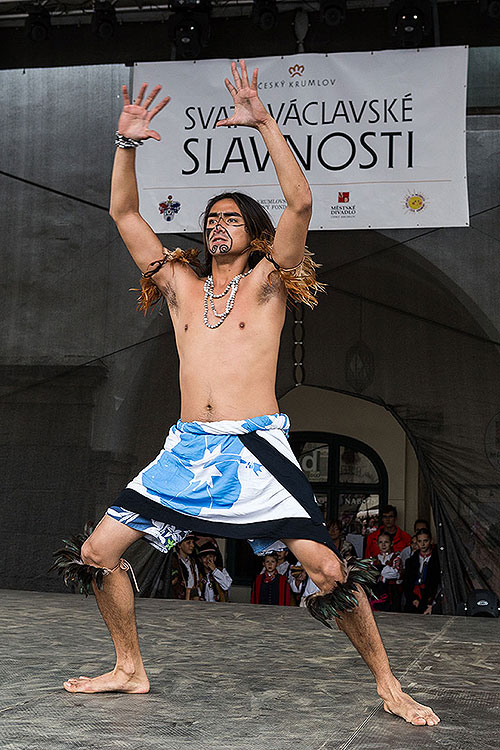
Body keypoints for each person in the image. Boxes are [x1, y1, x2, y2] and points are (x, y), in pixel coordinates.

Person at [56, 60, 439, 726]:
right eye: (210, 217)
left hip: (255, 446)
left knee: (323, 569)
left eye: (230, 217)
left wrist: (264, 121)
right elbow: (123, 211)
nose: (215, 224)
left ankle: (388, 682)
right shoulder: (179, 284)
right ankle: (129, 668)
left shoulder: (266, 283)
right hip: (186, 449)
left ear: (254, 233)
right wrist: (125, 143)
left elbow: (301, 204)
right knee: (97, 554)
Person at [403, 529, 440, 615]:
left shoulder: (438, 560)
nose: (422, 544)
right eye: (419, 541)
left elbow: (437, 583)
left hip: (430, 599)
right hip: (413, 600)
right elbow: (407, 583)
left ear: (431, 541)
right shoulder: (410, 561)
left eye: (425, 541)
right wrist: (413, 599)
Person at [371, 532, 403, 612]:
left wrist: (380, 571)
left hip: (391, 592)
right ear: (377, 544)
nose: (383, 545)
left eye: (386, 542)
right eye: (381, 542)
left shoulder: (395, 557)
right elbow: (371, 574)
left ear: (391, 543)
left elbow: (395, 574)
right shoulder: (374, 558)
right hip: (377, 591)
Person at [170, 534, 203, 600]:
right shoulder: (173, 561)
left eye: (193, 542)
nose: (192, 545)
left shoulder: (193, 562)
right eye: (188, 543)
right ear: (179, 545)